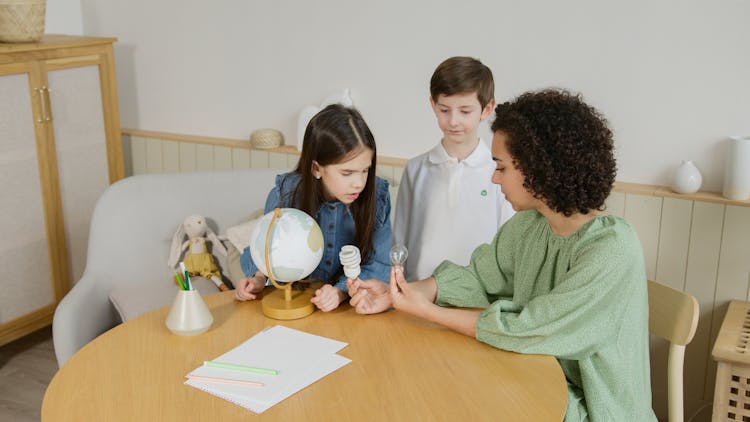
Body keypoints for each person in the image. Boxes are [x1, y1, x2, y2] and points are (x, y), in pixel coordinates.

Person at [349, 89, 657, 421]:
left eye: (502, 167)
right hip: (530, 376)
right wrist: (405, 293)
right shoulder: (529, 226)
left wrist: (428, 312)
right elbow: (479, 277)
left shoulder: (612, 249)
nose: (494, 178)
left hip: (594, 409)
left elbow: (530, 328)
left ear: (539, 170)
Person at [235, 104, 391, 312]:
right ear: (317, 168)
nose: (359, 183)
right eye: (347, 173)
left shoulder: (377, 195)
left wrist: (340, 291)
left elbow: (380, 263)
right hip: (294, 306)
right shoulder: (286, 194)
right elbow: (267, 251)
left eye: (365, 170)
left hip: (349, 311)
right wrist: (257, 279)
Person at [393, 56, 514, 281]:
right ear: (433, 105)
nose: (453, 121)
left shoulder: (499, 173)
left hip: (478, 295)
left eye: (465, 111)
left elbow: (508, 243)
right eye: (445, 110)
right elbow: (400, 239)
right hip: (418, 294)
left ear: (487, 109)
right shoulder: (416, 169)